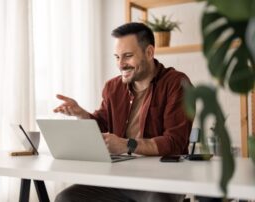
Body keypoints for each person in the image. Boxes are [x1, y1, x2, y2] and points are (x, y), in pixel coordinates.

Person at [53, 22, 194, 202]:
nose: (120, 64)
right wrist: (81, 114)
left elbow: (175, 142)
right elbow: (102, 126)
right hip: (118, 177)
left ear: (149, 52)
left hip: (161, 179)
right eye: (117, 57)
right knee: (66, 198)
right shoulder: (112, 87)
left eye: (127, 56)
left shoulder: (177, 84)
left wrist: (128, 145)